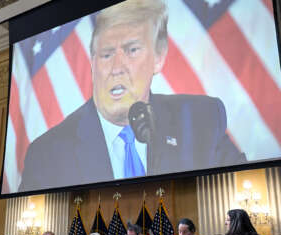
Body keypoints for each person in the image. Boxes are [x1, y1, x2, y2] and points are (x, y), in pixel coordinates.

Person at [18, 0, 245, 192]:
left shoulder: (201, 120)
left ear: (158, 58)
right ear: (92, 62)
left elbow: (238, 185)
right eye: (107, 54)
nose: (117, 67)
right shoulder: (47, 153)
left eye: (132, 50)